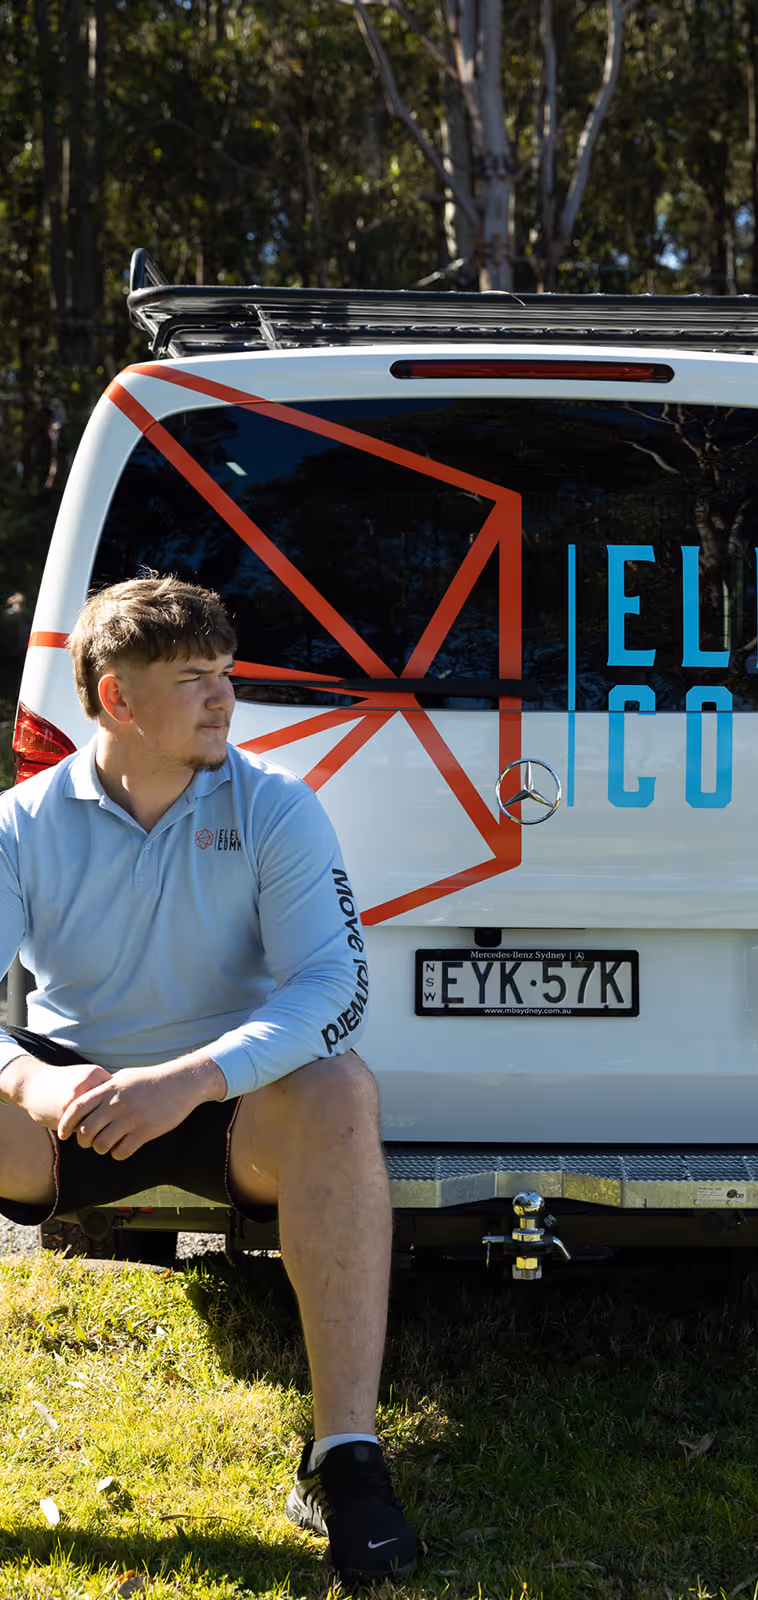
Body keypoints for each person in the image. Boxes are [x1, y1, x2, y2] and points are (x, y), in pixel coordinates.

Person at [0, 575, 416, 1586]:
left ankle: (345, 1458)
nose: (224, 698)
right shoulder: (21, 820)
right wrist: (29, 1079)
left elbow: (333, 985)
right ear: (116, 699)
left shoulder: (275, 804)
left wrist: (189, 1079)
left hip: (225, 1099)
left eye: (225, 674)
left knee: (339, 1088)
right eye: (195, 679)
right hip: (70, 1102)